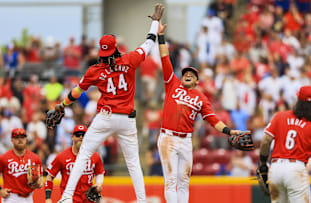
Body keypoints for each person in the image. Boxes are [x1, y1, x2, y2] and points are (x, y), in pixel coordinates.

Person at [53, 4, 164, 203]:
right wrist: (155, 22)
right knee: (133, 163)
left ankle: (67, 197)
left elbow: (77, 92)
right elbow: (149, 42)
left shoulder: (94, 70)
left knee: (84, 154)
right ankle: (141, 200)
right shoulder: (129, 58)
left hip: (106, 117)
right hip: (127, 119)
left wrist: (62, 104)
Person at [157, 21, 251, 203]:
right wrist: (160, 37)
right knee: (170, 181)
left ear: (197, 82)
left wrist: (230, 131)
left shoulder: (200, 97)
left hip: (185, 140)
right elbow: (165, 58)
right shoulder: (172, 83)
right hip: (168, 138)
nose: (187, 74)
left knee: (184, 180)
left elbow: (213, 119)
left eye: (191, 74)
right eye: (185, 73)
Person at [258, 86, 311, 203]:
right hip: (296, 170)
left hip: (276, 168)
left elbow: (266, 141)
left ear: (298, 101)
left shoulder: (280, 116)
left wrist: (262, 164)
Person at [45, 124, 104, 203]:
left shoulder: (95, 155)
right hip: (69, 199)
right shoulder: (62, 156)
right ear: (72, 137)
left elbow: (99, 172)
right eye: (77, 135)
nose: (81, 137)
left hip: (88, 198)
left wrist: (98, 184)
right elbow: (50, 176)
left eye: (83, 135)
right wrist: (48, 198)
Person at [0, 128, 43, 203]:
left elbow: (40, 180)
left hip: (29, 197)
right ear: (12, 140)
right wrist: (0, 190)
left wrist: (38, 184)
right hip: (11, 197)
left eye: (22, 137)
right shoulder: (3, 158)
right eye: (17, 137)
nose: (20, 140)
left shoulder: (35, 158)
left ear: (26, 139)